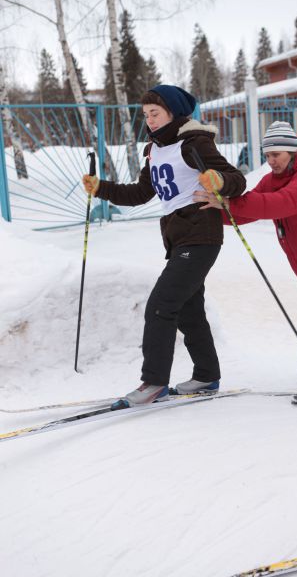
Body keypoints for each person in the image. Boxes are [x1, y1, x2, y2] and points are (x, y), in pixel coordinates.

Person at [82, 85, 246, 407]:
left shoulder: (194, 143)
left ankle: (154, 383)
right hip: (178, 238)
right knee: (188, 308)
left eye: (155, 113)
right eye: (145, 115)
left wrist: (218, 182)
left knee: (161, 304)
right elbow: (140, 193)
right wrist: (101, 189)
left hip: (201, 236)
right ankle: (206, 375)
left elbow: (236, 179)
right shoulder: (155, 149)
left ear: (173, 112)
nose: (150, 120)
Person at [193, 121, 297, 407]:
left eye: (277, 155)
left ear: (293, 153)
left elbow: (282, 202)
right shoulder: (275, 178)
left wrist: (229, 205)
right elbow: (252, 204)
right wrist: (217, 207)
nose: (270, 161)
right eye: (268, 154)